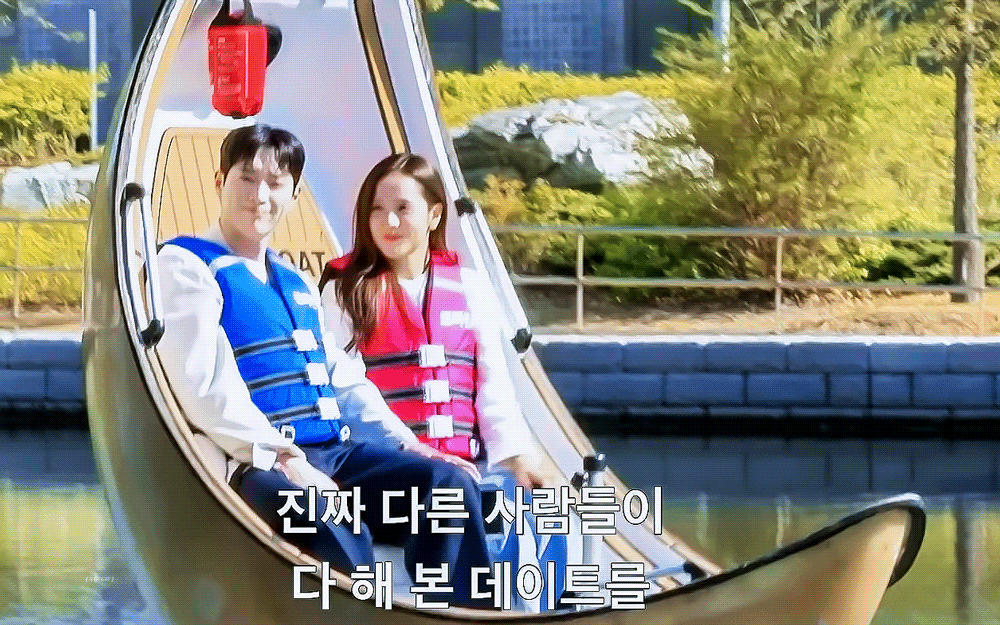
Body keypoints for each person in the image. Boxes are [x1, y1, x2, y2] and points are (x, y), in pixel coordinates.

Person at [155, 124, 493, 609]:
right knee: (329, 514)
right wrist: (287, 459)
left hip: (335, 454)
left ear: (294, 195)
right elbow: (203, 385)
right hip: (260, 462)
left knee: (447, 486)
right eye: (246, 179)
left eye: (276, 184)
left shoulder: (293, 278)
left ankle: (462, 614)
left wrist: (409, 445)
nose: (260, 196)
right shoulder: (186, 265)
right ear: (219, 182)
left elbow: (343, 378)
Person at [318, 153, 569, 611]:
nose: (389, 222)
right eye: (377, 210)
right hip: (394, 471)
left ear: (434, 214)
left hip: (470, 465)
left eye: (403, 208)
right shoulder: (345, 290)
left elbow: (493, 389)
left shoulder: (470, 287)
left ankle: (552, 612)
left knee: (549, 502)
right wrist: (411, 448)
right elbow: (347, 391)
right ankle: (469, 612)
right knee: (448, 489)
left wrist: (519, 456)